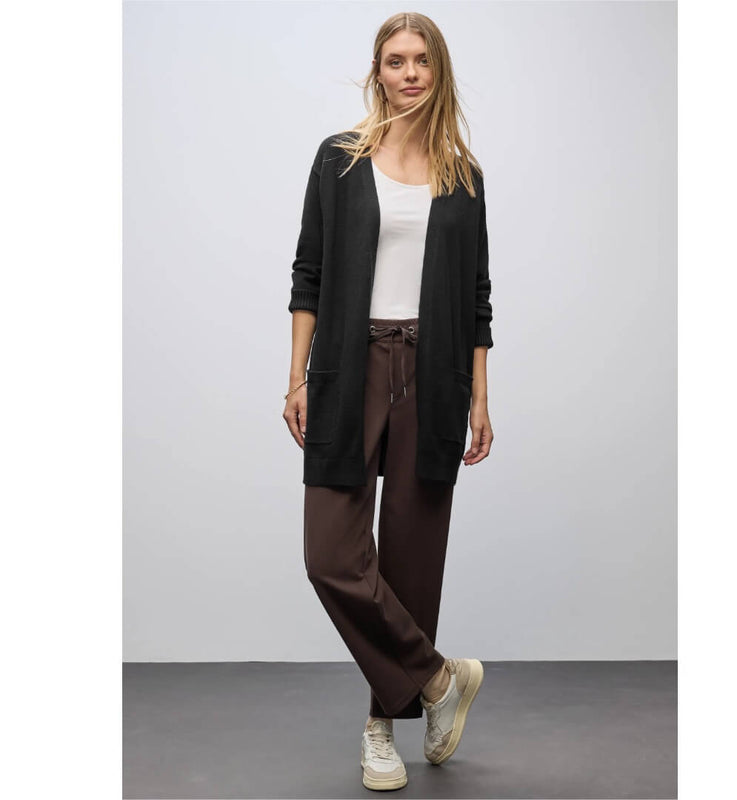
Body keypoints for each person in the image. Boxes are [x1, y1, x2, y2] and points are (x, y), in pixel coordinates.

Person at [283, 12, 495, 792]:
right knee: (331, 556)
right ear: (377, 71)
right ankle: (439, 679)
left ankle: (382, 729)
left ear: (439, 72)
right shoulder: (340, 160)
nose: (410, 74)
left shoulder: (462, 175)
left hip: (433, 373)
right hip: (351, 366)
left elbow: (477, 298)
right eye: (396, 61)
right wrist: (298, 376)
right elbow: (308, 272)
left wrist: (480, 397)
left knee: (412, 561)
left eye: (422, 61)